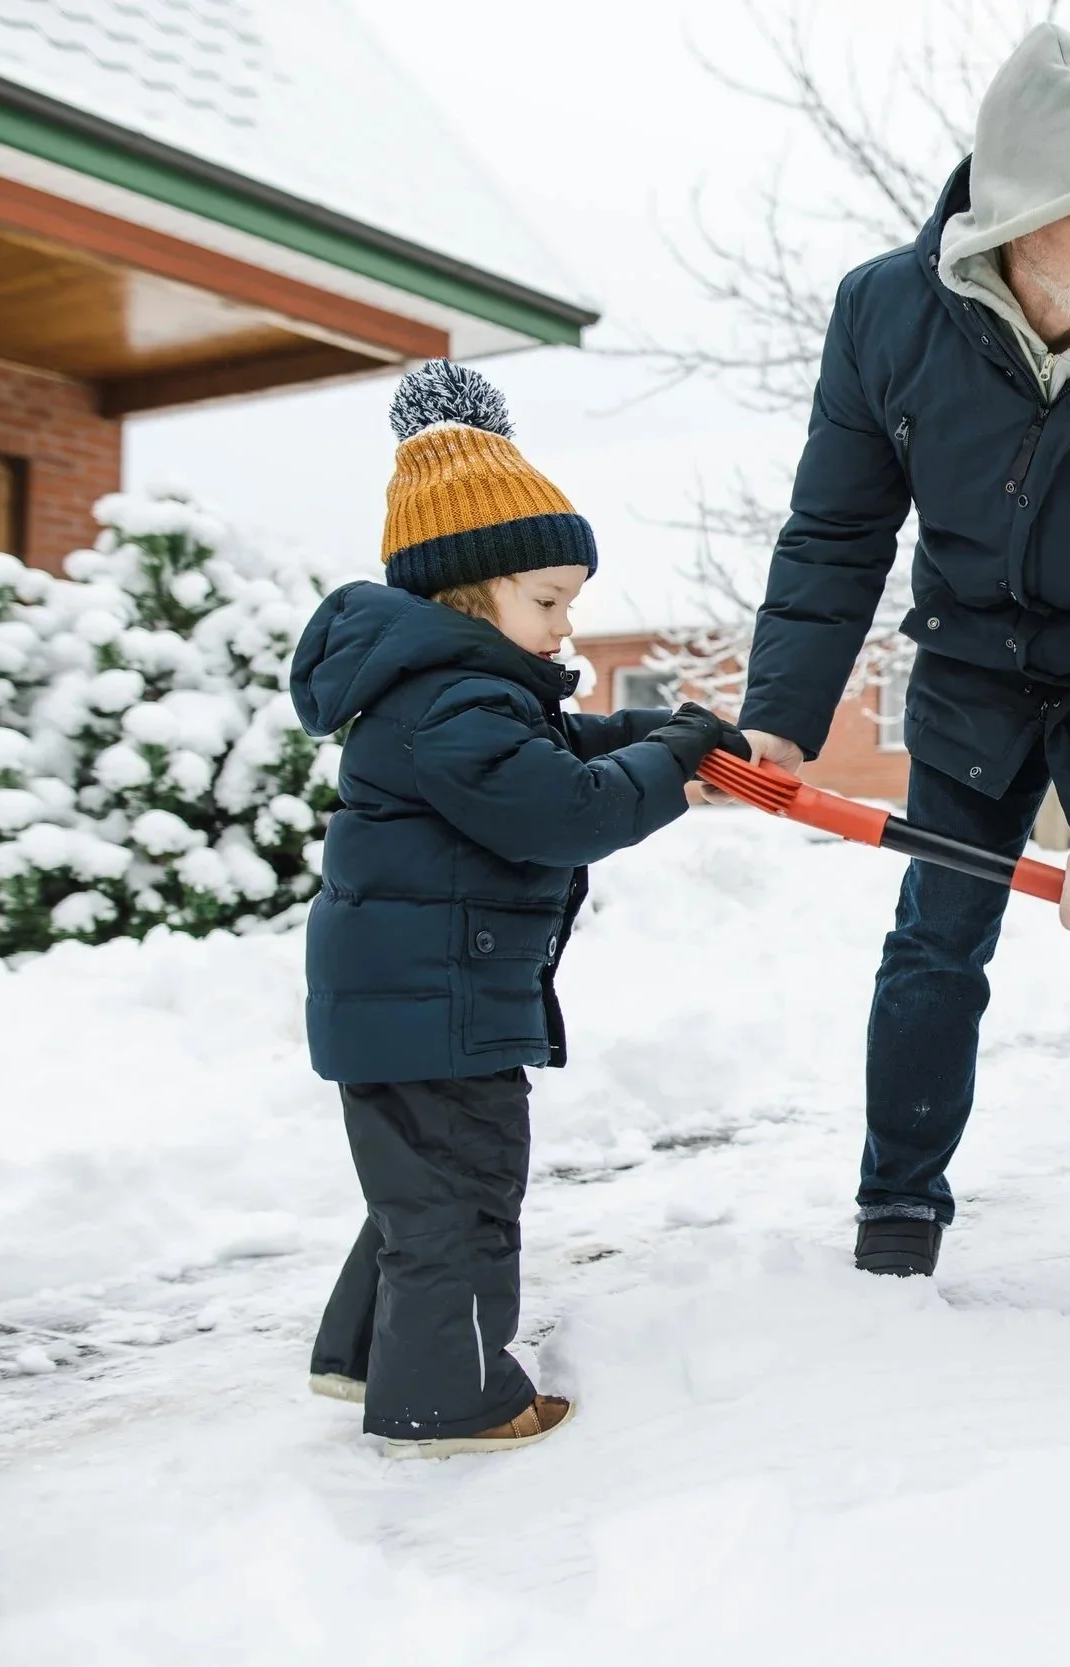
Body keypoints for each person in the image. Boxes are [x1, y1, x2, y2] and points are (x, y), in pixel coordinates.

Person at [737, 25, 1070, 1335]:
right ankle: (898, 1204)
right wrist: (779, 714)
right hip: (977, 661)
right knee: (935, 934)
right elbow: (839, 528)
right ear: (1022, 216)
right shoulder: (888, 316)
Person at [290, 361, 747, 1456]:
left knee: (420, 1196)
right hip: (437, 1010)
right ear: (465, 595)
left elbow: (557, 751)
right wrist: (669, 760)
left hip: (415, 1003)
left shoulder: (446, 691)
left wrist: (656, 738)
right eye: (546, 602)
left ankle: (366, 1359)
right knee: (461, 1199)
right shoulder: (456, 701)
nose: (564, 627)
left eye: (570, 603)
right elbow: (561, 809)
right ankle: (451, 1400)